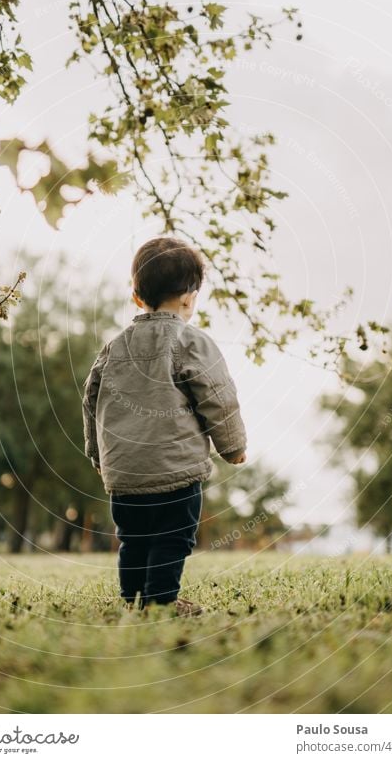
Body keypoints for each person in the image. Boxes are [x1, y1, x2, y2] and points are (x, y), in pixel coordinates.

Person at [82, 236, 247, 616]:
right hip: (176, 471)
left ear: (138, 298)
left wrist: (97, 454)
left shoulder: (113, 348)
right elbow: (218, 396)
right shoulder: (190, 341)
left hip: (124, 474)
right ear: (189, 298)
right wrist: (232, 446)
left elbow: (90, 401)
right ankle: (160, 602)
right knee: (173, 538)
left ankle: (132, 600)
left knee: (134, 539)